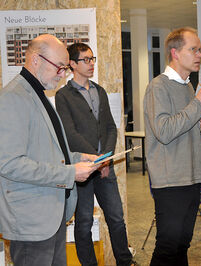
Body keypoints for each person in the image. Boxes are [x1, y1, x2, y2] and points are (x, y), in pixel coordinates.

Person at [0, 34, 99, 266]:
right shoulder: (13, 98)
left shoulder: (39, 95)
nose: (63, 74)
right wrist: (70, 173)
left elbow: (49, 153)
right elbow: (9, 163)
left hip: (51, 216)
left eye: (65, 68)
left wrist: (79, 158)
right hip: (31, 222)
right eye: (60, 67)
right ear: (36, 60)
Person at [143, 27, 201, 266]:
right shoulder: (158, 87)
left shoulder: (187, 86)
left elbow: (183, 129)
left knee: (182, 244)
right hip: (170, 179)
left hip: (191, 177)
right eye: (194, 49)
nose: (199, 55)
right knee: (167, 246)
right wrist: (197, 104)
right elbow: (164, 132)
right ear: (175, 53)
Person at [55, 43, 134, 266]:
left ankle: (125, 262)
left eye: (92, 59)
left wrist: (106, 158)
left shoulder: (99, 91)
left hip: (105, 168)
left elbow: (110, 127)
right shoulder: (63, 95)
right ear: (72, 64)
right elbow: (69, 134)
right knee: (84, 222)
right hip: (82, 170)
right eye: (85, 60)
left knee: (117, 219)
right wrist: (96, 160)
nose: (91, 64)